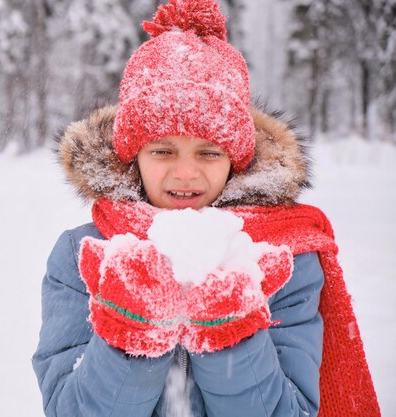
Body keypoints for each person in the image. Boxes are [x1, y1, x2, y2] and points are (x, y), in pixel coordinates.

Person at [31, 1, 381, 416]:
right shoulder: (83, 256)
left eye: (209, 153)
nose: (185, 173)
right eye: (162, 150)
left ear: (236, 158)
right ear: (132, 155)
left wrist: (233, 334)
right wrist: (131, 334)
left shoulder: (285, 259)